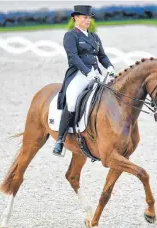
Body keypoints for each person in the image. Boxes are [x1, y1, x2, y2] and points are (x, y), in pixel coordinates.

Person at [53, 5, 115, 156]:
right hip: (79, 75)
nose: (88, 20)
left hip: (96, 74)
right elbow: (73, 57)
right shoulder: (70, 36)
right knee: (73, 101)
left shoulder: (94, 37)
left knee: (111, 96)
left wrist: (110, 67)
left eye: (89, 17)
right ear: (76, 18)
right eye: (85, 17)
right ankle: (60, 140)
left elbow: (102, 56)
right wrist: (87, 72)